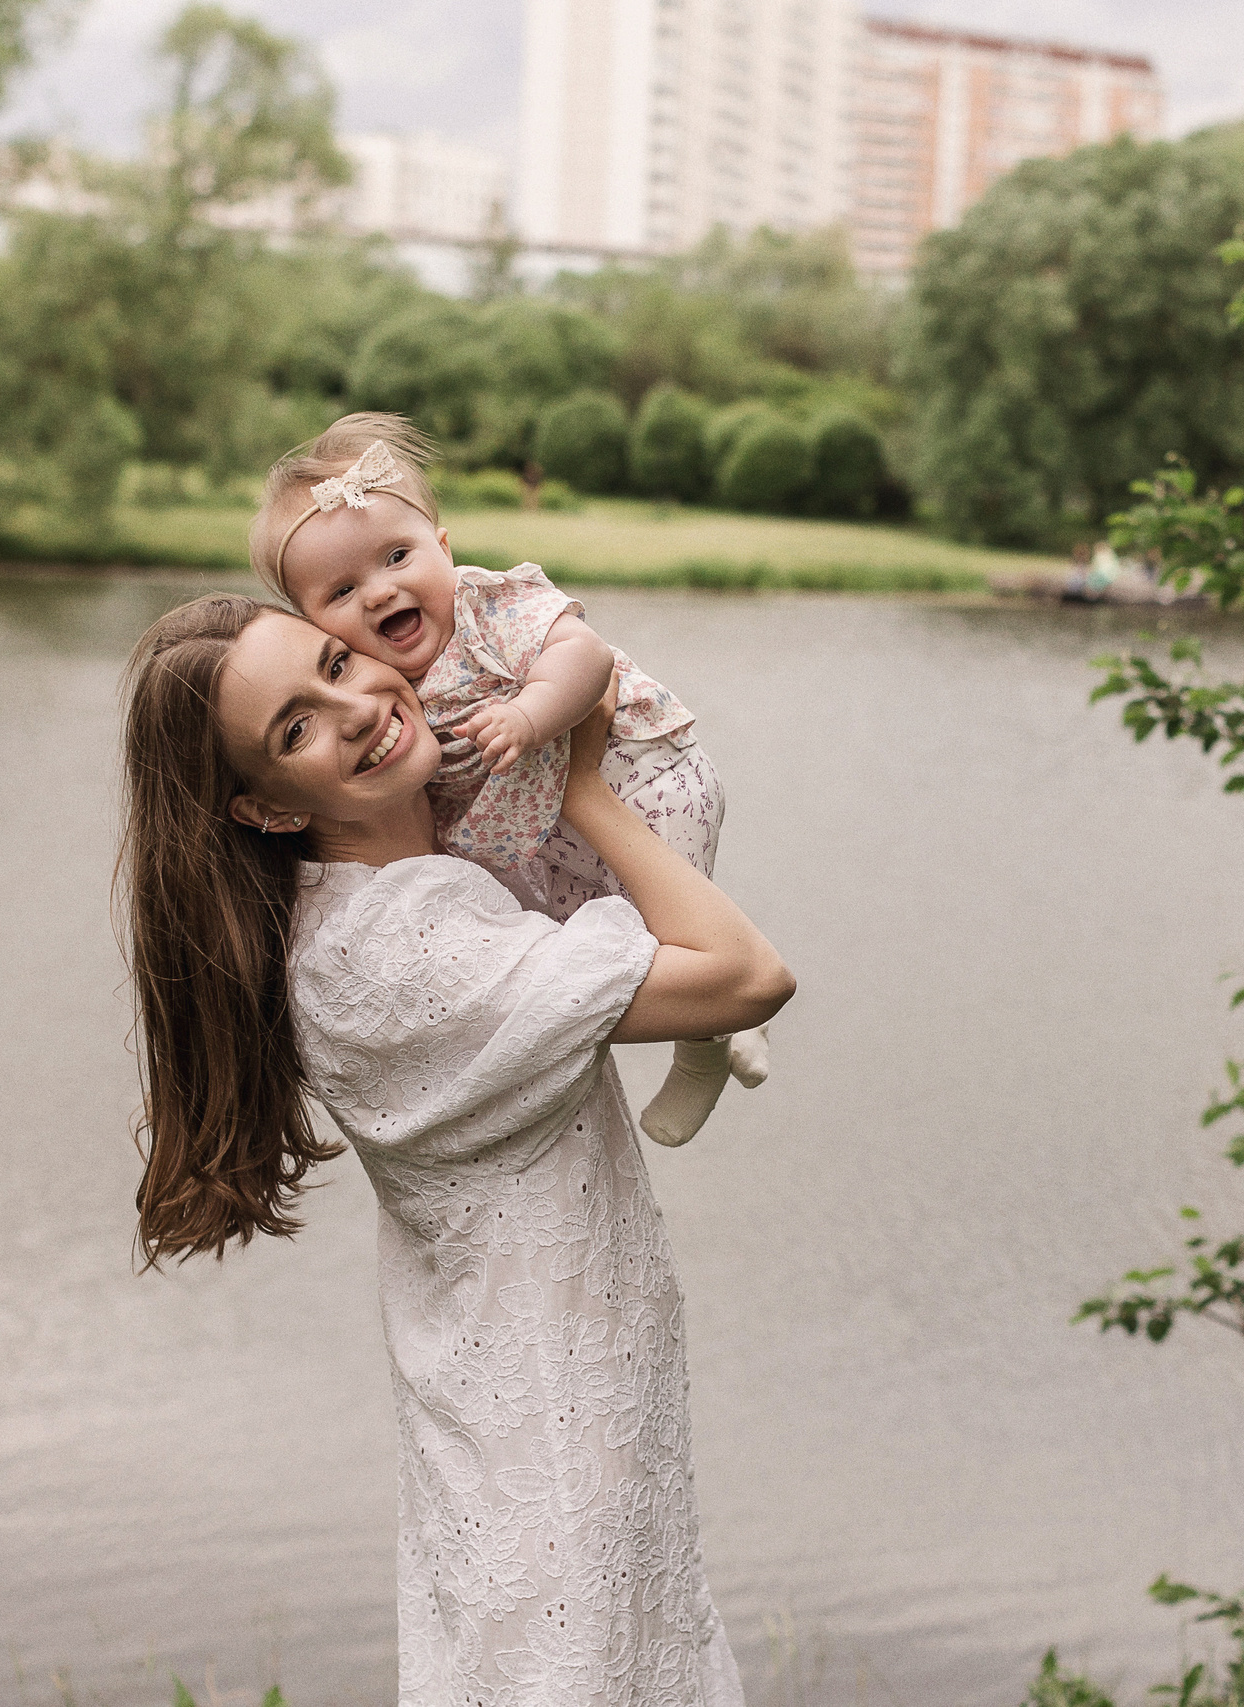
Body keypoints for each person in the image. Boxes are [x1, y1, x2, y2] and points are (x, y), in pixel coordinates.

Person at [118, 593, 794, 1706]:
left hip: (558, 1428)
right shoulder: (393, 953)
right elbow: (744, 973)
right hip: (548, 1452)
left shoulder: (411, 890)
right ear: (265, 808)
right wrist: (578, 782)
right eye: (296, 727)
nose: (360, 706)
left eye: (338, 662)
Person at [252, 411, 764, 1147]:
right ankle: (724, 1017)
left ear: (445, 547)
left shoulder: (484, 606)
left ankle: (703, 1045)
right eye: (340, 591)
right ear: (315, 625)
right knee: (583, 944)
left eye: (398, 556)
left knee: (668, 926)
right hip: (546, 825)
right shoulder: (375, 682)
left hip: (642, 780)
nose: (377, 591)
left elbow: (583, 655)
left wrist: (530, 714)